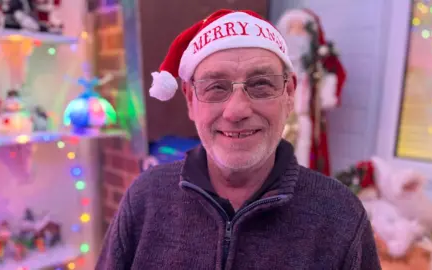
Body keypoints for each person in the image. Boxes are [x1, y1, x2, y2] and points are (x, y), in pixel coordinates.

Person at [96, 9, 380, 270]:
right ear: (191, 99)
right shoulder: (145, 199)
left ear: (289, 94)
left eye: (261, 85)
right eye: (216, 87)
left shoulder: (340, 217)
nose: (236, 110)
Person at [276, 9, 347, 176]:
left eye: (301, 29)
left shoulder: (315, 67)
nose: (295, 34)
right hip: (276, 121)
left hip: (304, 120)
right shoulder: (275, 64)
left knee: (303, 163)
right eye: (291, 28)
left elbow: (328, 94)